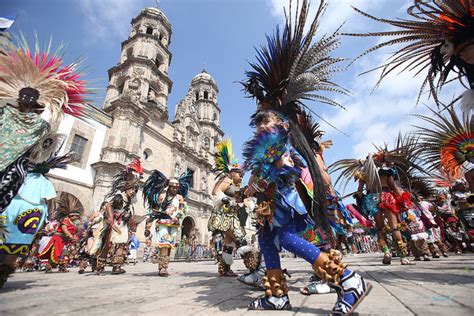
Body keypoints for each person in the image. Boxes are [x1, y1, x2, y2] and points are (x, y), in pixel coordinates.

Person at [93, 159, 143, 275]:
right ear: (126, 189)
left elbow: (127, 212)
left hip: (122, 224)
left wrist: (132, 222)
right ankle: (100, 266)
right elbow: (108, 205)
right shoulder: (119, 197)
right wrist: (111, 218)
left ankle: (116, 266)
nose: (133, 192)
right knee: (108, 244)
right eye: (132, 190)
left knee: (121, 243)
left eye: (135, 191)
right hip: (113, 223)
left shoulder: (129, 201)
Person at [143, 170, 192, 276]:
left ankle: (164, 266)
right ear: (169, 187)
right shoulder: (161, 196)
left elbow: (182, 210)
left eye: (176, 188)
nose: (175, 189)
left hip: (174, 224)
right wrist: (149, 222)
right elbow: (155, 210)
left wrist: (178, 217)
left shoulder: (180, 198)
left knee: (169, 245)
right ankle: (162, 268)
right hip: (162, 223)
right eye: (173, 187)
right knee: (164, 243)